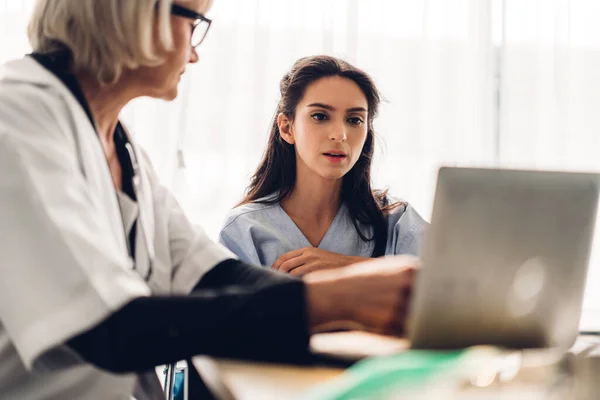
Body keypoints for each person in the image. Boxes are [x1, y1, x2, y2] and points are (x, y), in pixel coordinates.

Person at [0, 0, 419, 398]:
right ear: (139, 16)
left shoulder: (123, 153)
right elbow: (111, 330)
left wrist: (352, 300)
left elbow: (215, 276)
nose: (195, 55)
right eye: (194, 23)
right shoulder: (16, 121)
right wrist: (332, 300)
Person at [219, 55, 427, 275]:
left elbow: (452, 284)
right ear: (287, 128)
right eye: (320, 116)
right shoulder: (245, 229)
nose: (340, 135)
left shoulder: (396, 221)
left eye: (355, 120)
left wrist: (349, 267)